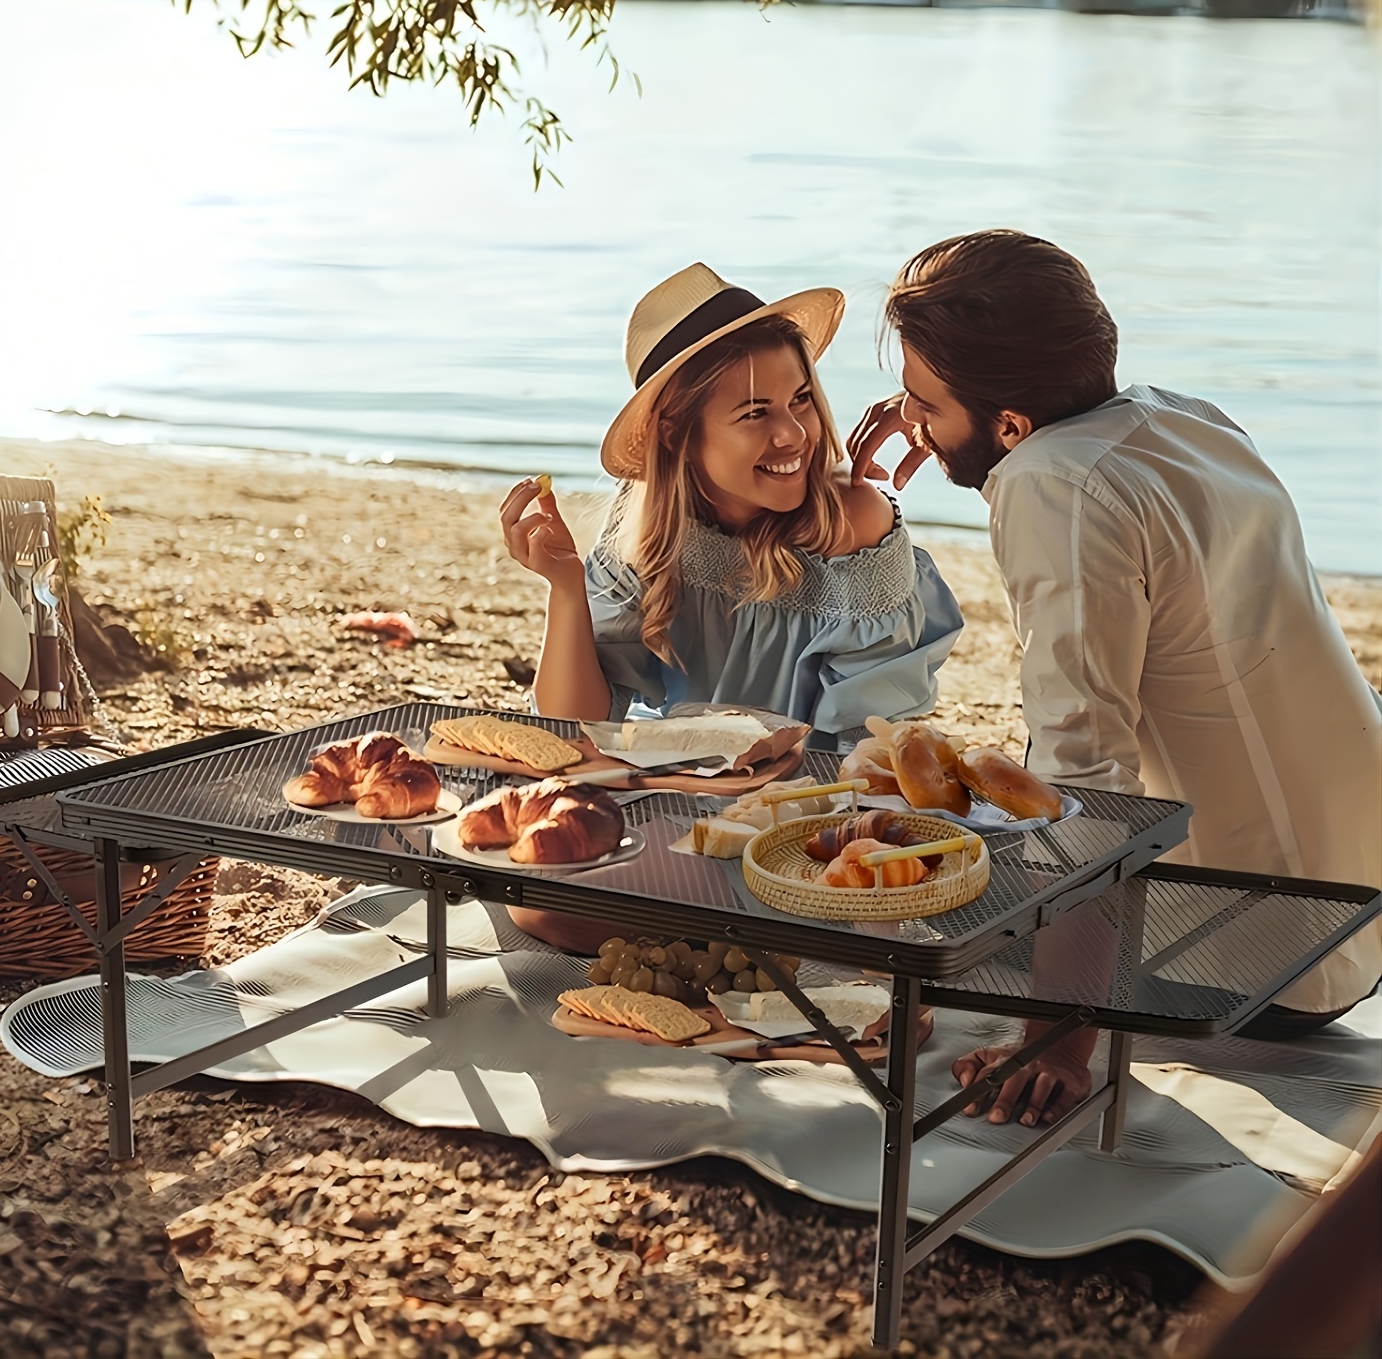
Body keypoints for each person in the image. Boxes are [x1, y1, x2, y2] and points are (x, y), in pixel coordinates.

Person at [848, 230, 1382, 1127]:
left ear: (1011, 423)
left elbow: (1086, 775)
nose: (911, 421)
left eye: (924, 403)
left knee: (881, 897)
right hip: (1354, 904)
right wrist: (959, 428)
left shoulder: (1054, 488)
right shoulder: (1182, 417)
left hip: (1260, 948)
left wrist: (1059, 1039)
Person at [499, 262, 963, 735]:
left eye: (800, 399)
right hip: (672, 775)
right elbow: (574, 725)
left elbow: (861, 747)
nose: (793, 434)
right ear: (676, 432)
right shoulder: (646, 525)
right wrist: (567, 588)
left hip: (806, 796)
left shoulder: (854, 525)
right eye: (755, 413)